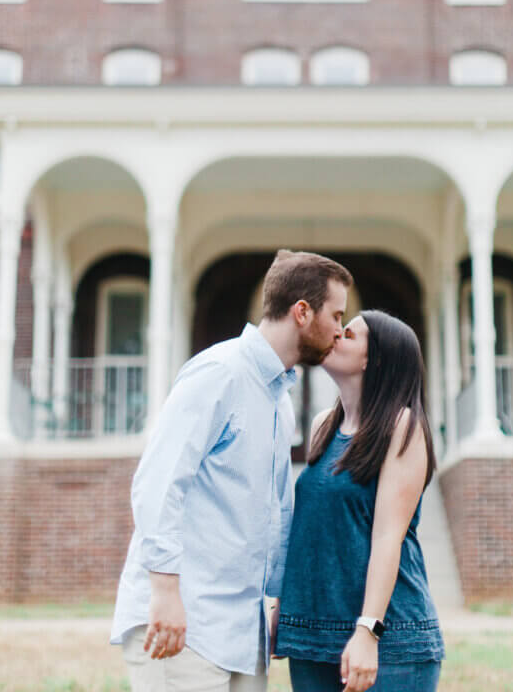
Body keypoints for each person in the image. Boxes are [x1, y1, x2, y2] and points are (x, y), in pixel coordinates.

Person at [110, 249, 353, 692]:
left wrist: (278, 599)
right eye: (336, 315)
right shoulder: (218, 373)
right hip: (183, 625)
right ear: (302, 312)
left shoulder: (279, 396)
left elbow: (276, 511)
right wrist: (164, 592)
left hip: (243, 633)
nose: (341, 330)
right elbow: (157, 484)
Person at [274, 310, 445, 692]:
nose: (334, 334)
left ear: (375, 359)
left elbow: (388, 537)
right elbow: (308, 529)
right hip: (314, 639)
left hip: (390, 641)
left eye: (348, 334)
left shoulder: (403, 426)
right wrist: (284, 608)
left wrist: (369, 632)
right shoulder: (322, 426)